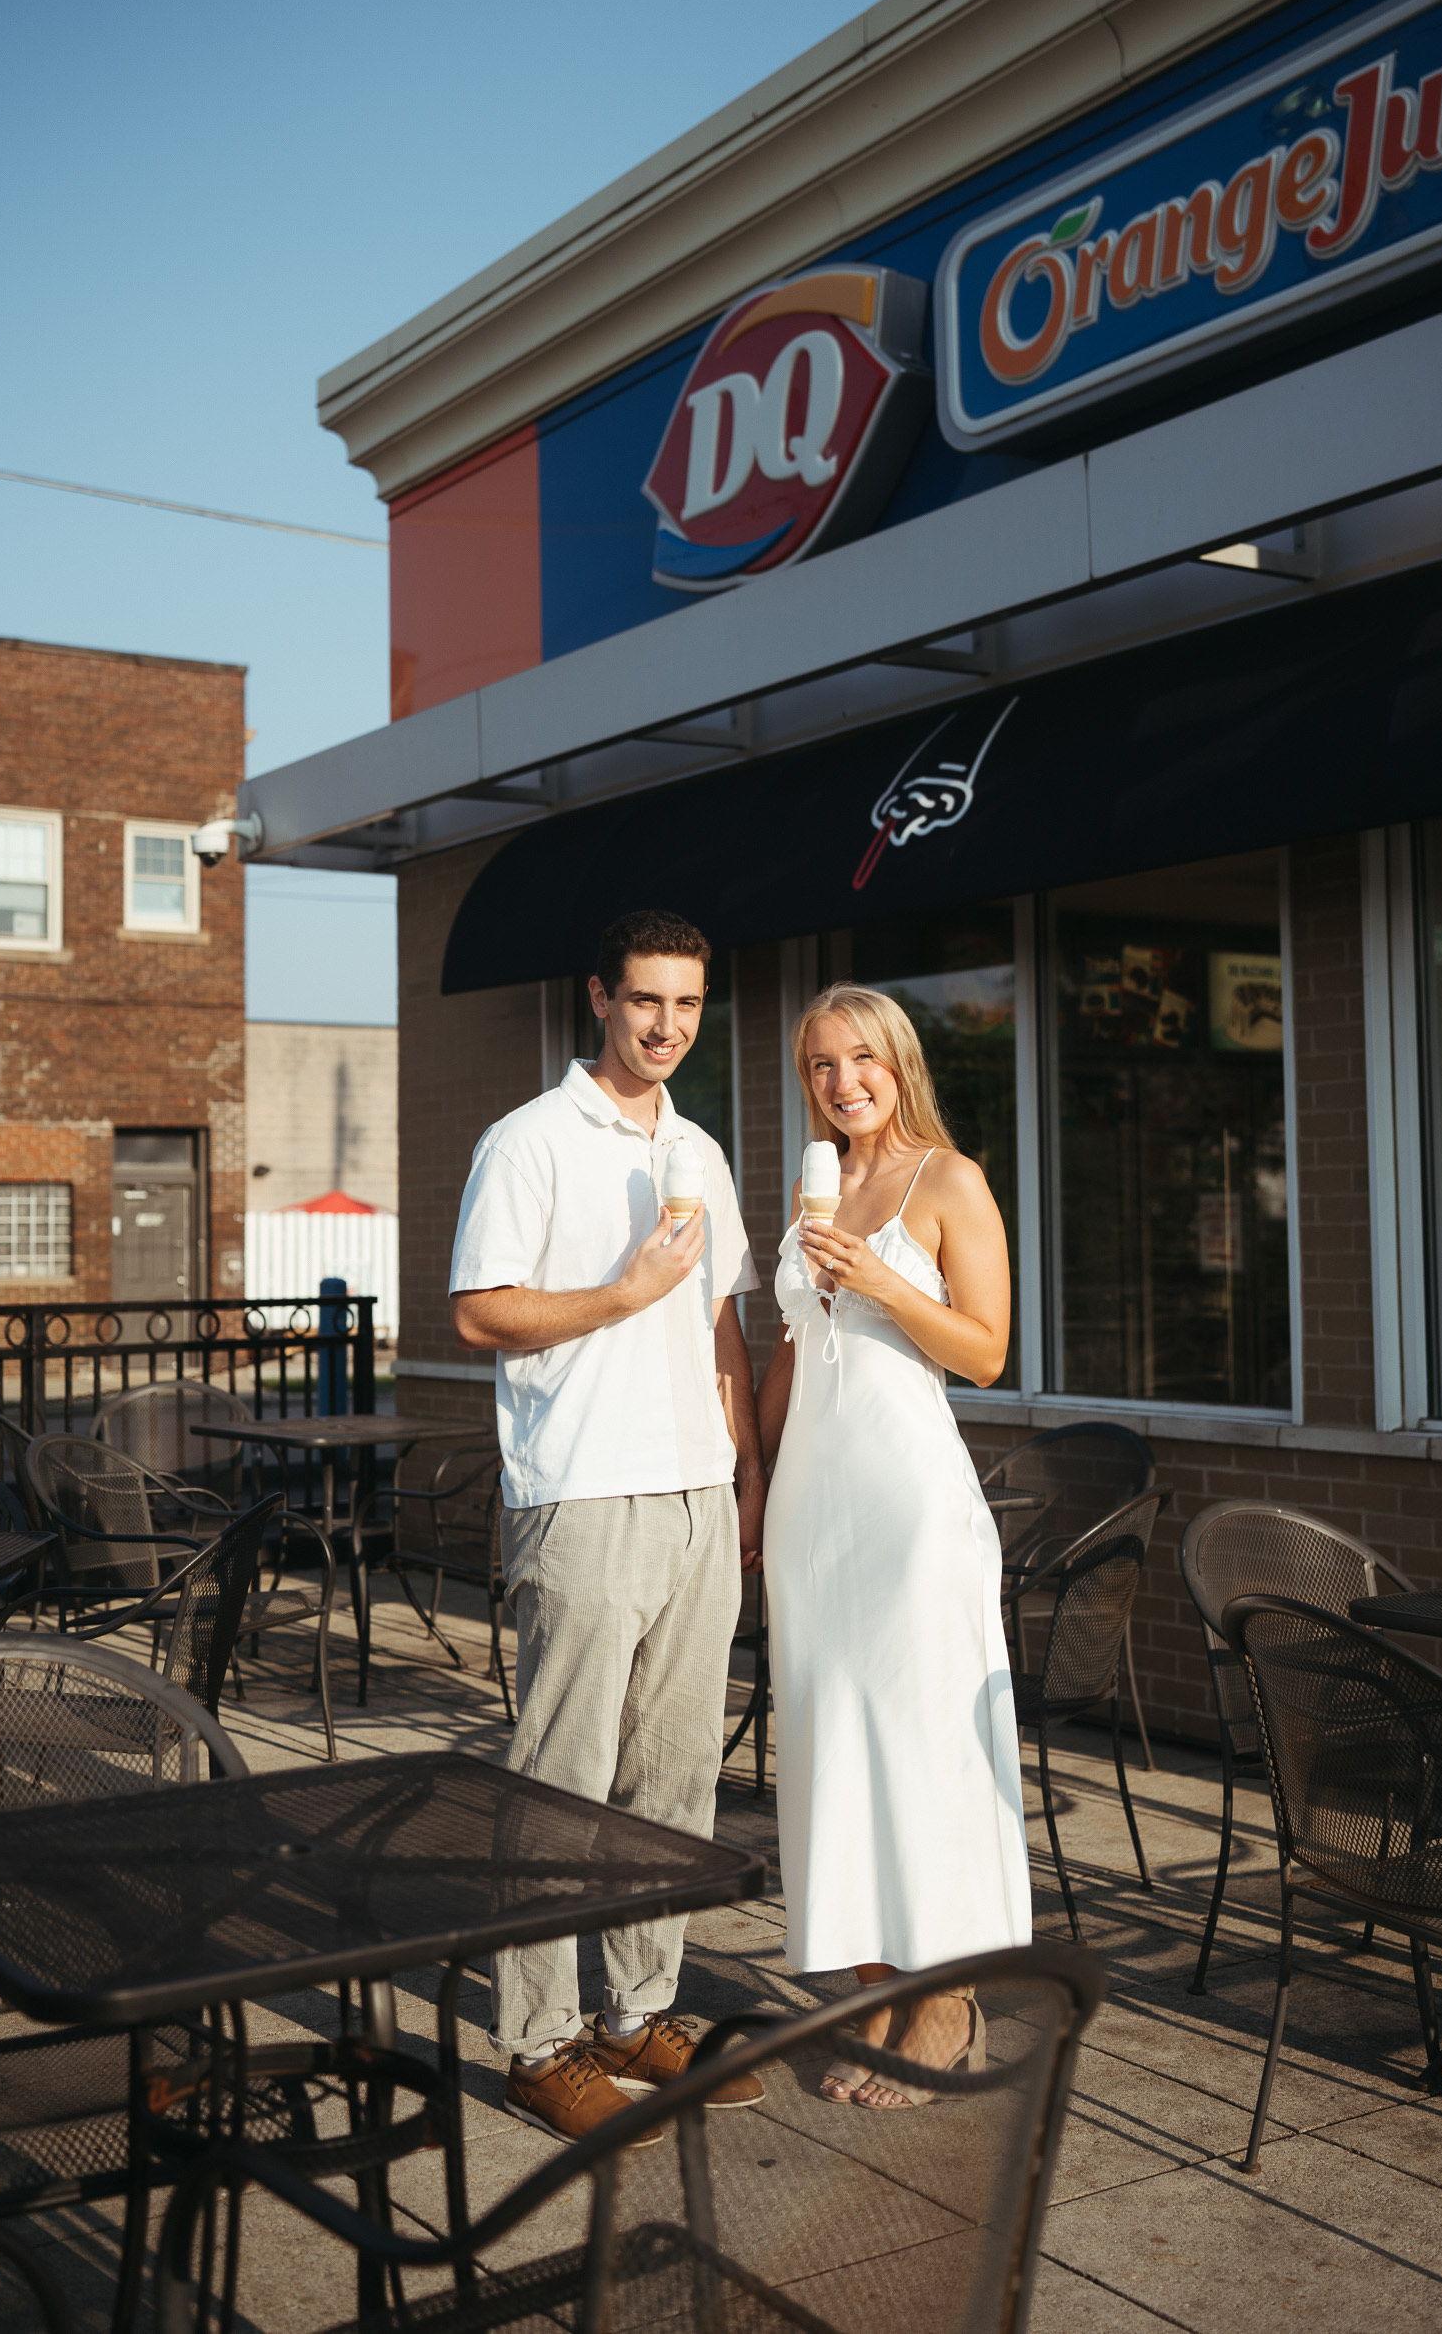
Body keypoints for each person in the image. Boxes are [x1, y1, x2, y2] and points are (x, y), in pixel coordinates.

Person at [449, 908, 768, 2140]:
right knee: (561, 1778)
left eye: (687, 1005)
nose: (667, 1026)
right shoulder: (529, 1140)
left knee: (674, 1775)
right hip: (580, 1490)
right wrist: (620, 1293)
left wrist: (741, 1476)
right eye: (647, 1001)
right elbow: (480, 1314)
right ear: (601, 996)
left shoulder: (700, 1146)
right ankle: (536, 2037)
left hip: (693, 1492)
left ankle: (637, 2012)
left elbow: (724, 1325)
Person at [755, 983, 1032, 2107]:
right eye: (820, 1065)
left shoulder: (947, 1180)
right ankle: (873, 1982)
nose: (841, 1082)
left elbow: (986, 1353)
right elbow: (792, 1351)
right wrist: (754, 1478)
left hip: (909, 1508)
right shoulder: (814, 1186)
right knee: (830, 1740)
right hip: (811, 1506)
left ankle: (949, 1997)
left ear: (898, 1062)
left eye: (860, 1059)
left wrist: (876, 1279)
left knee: (922, 1748)